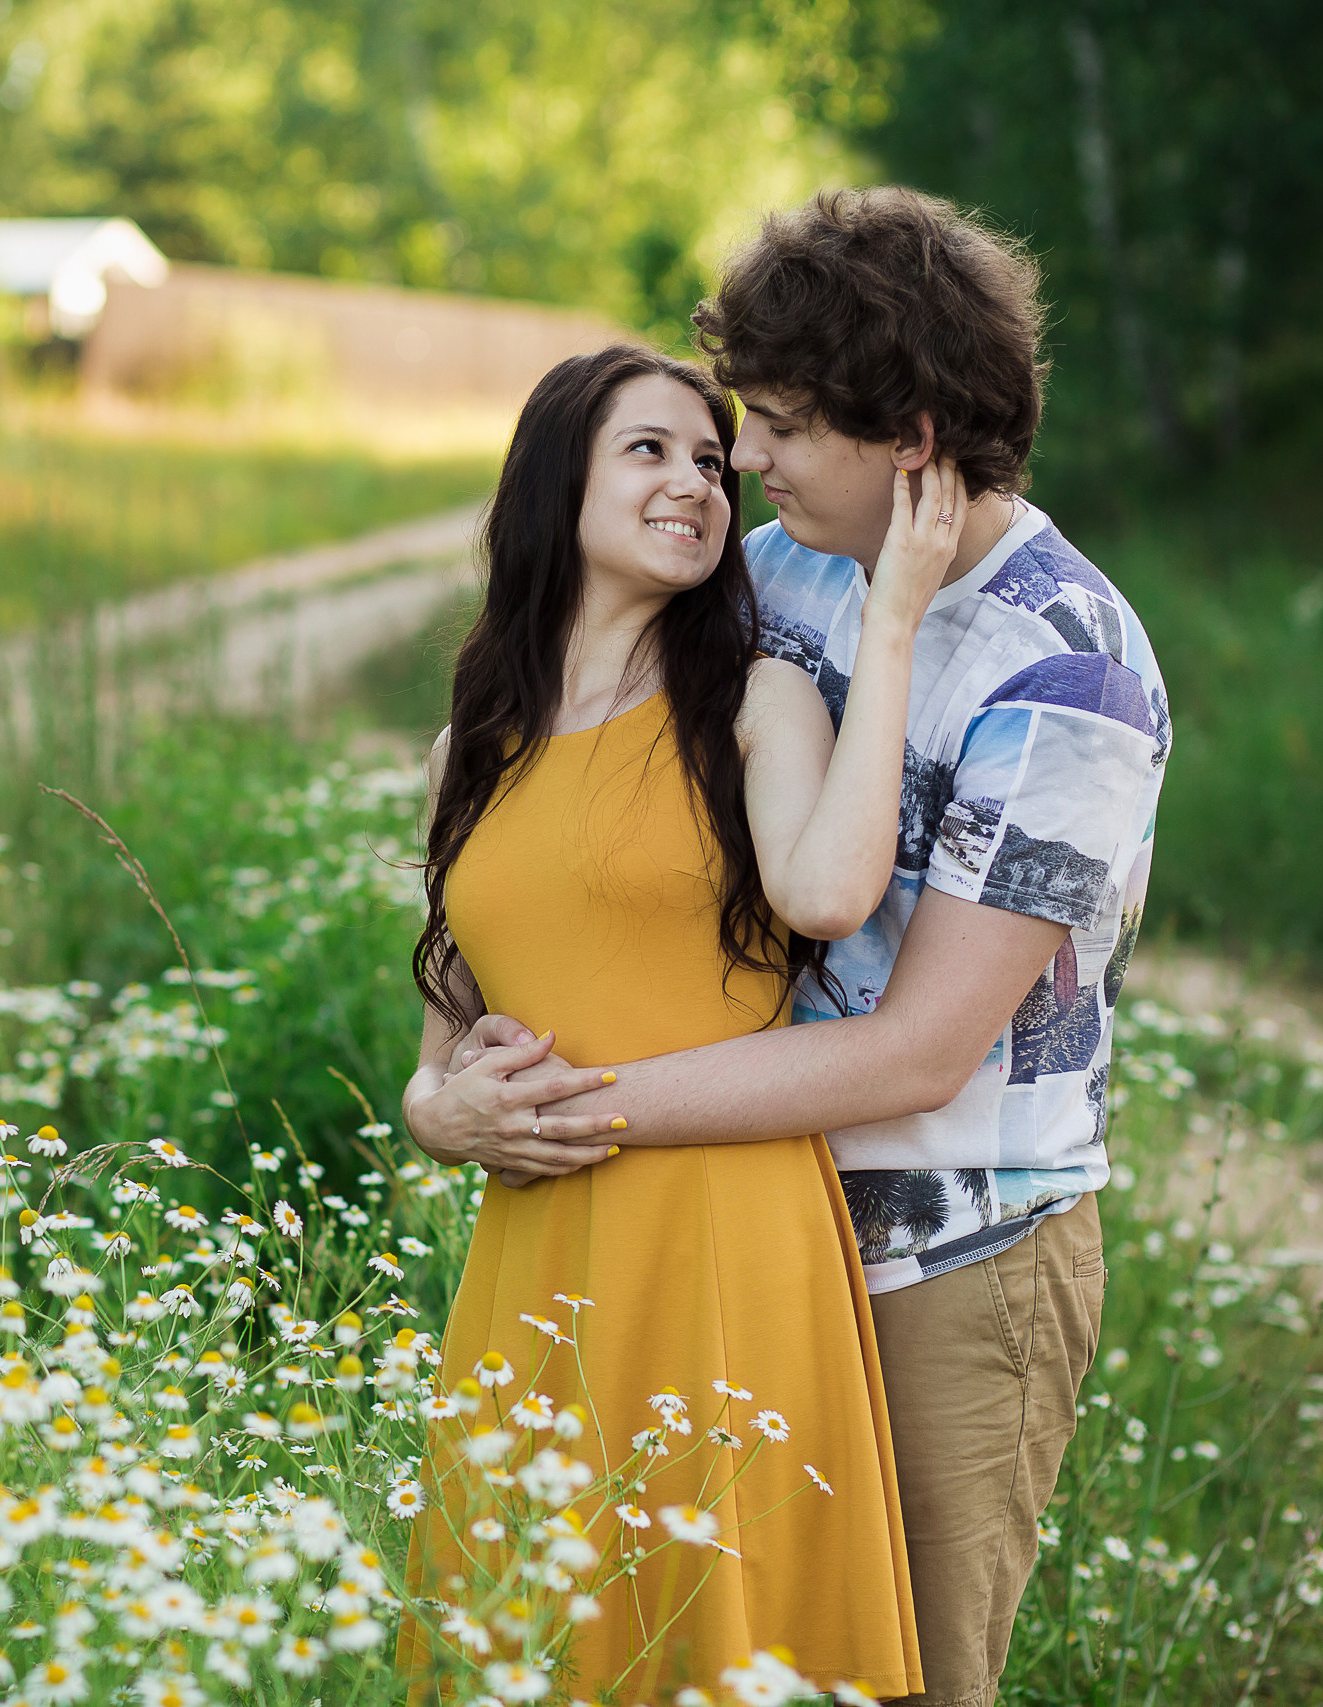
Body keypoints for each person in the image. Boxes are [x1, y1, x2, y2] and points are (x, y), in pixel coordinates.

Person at [409, 188, 1171, 1707]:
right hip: (711, 1220)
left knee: (899, 1680)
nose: (739, 460)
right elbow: (568, 827)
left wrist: (572, 1112)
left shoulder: (1068, 671)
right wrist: (447, 1097)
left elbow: (918, 1049)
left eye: (778, 427)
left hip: (950, 1252)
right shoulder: (775, 568)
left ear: (916, 442)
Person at [398, 340, 967, 1703]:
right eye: (649, 450)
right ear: (556, 487)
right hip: (535, 1254)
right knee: (534, 1646)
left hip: (724, 1231)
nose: (699, 482)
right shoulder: (466, 748)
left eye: (711, 458)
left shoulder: (754, 703)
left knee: (717, 1647)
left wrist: (890, 621)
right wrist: (436, 1113)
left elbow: (830, 895)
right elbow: (440, 1058)